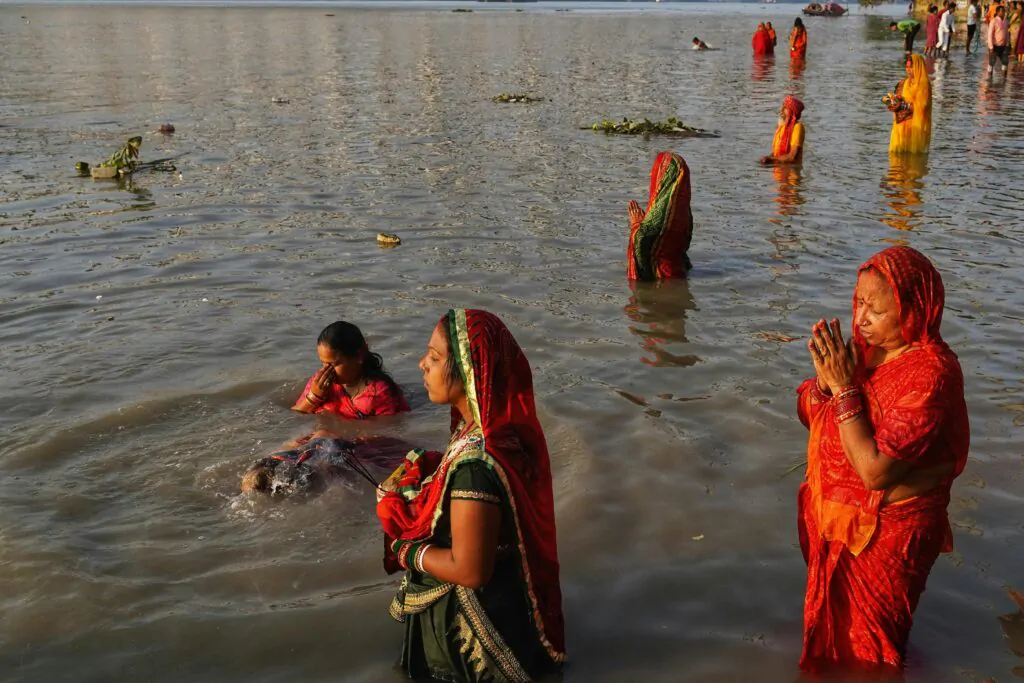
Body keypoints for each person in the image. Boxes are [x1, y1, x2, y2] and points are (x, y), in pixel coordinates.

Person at [797, 246, 970, 672]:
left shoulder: (932, 373)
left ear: (914, 310)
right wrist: (823, 383)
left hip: (888, 535)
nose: (860, 320)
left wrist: (844, 390)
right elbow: (810, 413)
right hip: (839, 523)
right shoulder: (865, 352)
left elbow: (876, 471)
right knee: (835, 645)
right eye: (858, 303)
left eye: (875, 310)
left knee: (873, 653)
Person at [377, 309, 566, 682]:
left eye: (434, 357)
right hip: (511, 601)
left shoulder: (476, 467)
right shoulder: (498, 431)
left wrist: (404, 548)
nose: (421, 365)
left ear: (469, 371)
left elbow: (471, 570)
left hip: (471, 629)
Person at [291, 321, 410, 419]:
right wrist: (314, 397)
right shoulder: (319, 383)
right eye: (323, 363)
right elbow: (296, 415)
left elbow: (386, 432)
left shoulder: (377, 392)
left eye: (333, 364)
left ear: (359, 355)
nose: (326, 370)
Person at [627, 152, 694, 280]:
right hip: (679, 273)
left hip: (660, 278)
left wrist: (636, 225)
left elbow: (640, 243)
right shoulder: (684, 211)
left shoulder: (660, 213)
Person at [885, 54, 932, 154]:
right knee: (897, 163)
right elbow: (896, 98)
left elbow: (921, 107)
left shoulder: (924, 85)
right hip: (900, 125)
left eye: (911, 67)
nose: (908, 70)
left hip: (915, 128)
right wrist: (892, 102)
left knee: (913, 163)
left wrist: (902, 105)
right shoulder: (903, 83)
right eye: (907, 67)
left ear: (918, 67)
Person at [760, 95, 806, 166]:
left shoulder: (797, 127)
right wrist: (768, 158)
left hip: (791, 173)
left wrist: (771, 160)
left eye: (785, 108)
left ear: (791, 111)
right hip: (779, 170)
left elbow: (792, 157)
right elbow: (777, 152)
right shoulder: (782, 127)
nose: (781, 110)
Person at [988, 4, 1011, 72]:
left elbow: (1007, 33)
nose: (1003, 12)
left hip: (1003, 46)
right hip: (995, 46)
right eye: (1001, 11)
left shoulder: (1006, 21)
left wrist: (1007, 44)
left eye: (1004, 11)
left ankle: (1004, 80)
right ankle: (990, 79)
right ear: (997, 12)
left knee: (1005, 61)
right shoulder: (993, 21)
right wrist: (991, 47)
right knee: (992, 62)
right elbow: (990, 35)